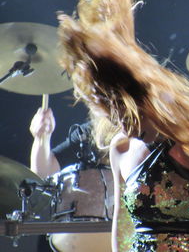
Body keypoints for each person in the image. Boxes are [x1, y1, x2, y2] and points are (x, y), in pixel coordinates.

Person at [57, 0, 189, 251]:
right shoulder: (122, 148)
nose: (120, 125)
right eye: (110, 116)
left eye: (122, 113)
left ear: (140, 101)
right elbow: (123, 224)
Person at [29, 107, 134, 252]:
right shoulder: (89, 133)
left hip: (143, 228)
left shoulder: (150, 133)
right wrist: (42, 138)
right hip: (83, 233)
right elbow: (42, 173)